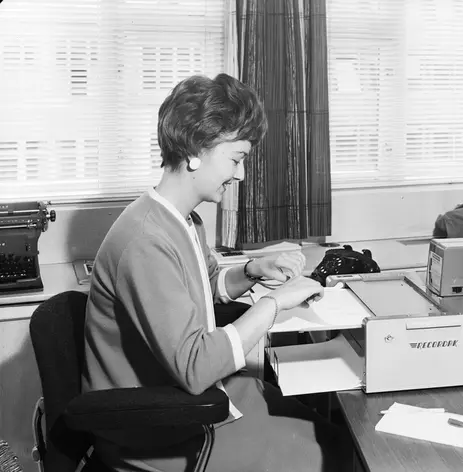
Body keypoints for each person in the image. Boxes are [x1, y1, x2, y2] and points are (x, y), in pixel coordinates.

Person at [82, 73, 351, 472]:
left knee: (328, 434)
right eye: (236, 159)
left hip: (186, 404)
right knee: (332, 454)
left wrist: (254, 270)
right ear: (195, 150)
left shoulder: (182, 220)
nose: (240, 175)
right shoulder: (145, 242)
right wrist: (274, 303)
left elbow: (203, 287)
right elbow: (195, 368)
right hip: (155, 432)